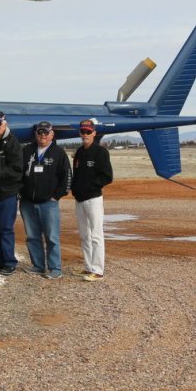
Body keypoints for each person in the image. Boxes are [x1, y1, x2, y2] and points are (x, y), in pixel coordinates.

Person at [20, 121, 72, 279]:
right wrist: (20, 193)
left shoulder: (59, 153)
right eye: (39, 132)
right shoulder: (27, 150)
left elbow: (67, 177)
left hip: (49, 203)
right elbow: (18, 173)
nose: (42, 135)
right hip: (27, 202)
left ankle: (55, 268)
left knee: (52, 237)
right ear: (36, 134)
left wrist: (56, 196)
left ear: (52, 134)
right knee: (32, 236)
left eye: (45, 132)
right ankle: (38, 265)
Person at [72, 118, 114, 281]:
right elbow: (76, 174)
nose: (85, 134)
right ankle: (88, 266)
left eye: (88, 132)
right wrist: (75, 190)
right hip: (80, 199)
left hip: (93, 199)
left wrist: (91, 186)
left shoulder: (100, 152)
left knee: (96, 235)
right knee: (84, 235)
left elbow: (107, 177)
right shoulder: (79, 152)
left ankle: (98, 270)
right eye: (83, 131)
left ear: (94, 133)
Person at [0, 110, 24, 275]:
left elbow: (16, 169)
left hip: (6, 193)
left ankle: (9, 261)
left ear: (5, 124)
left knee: (5, 228)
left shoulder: (12, 143)